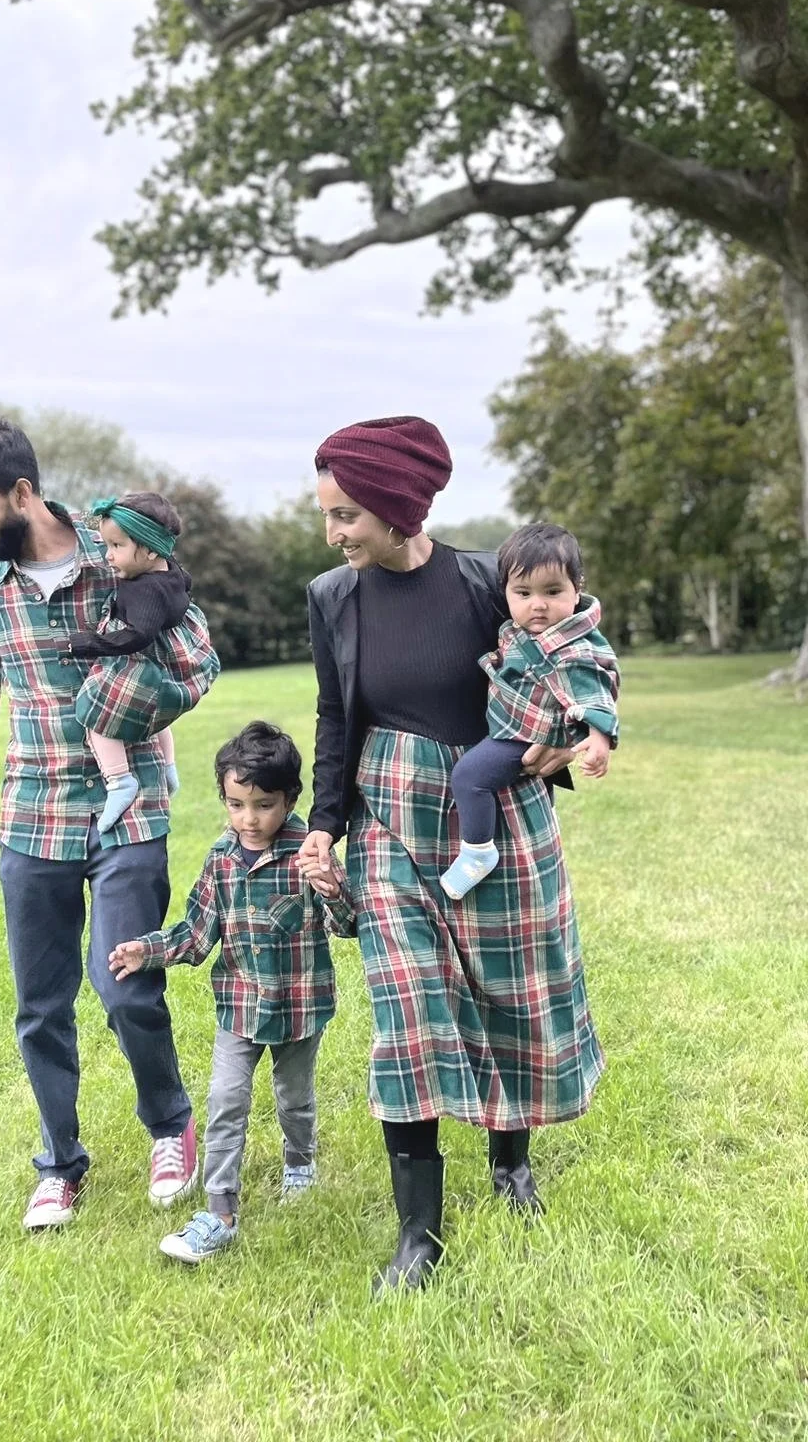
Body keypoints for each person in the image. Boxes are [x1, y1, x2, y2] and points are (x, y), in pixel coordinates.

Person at [0, 419, 220, 1230]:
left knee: (125, 985)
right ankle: (59, 1164)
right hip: (32, 817)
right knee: (40, 1005)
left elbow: (199, 662)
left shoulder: (119, 547)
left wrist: (135, 703)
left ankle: (170, 1126)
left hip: (131, 808)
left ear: (22, 492)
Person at [299, 415, 604, 1297]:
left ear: (398, 507)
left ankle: (511, 1163)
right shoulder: (332, 597)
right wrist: (325, 822)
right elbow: (334, 713)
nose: (333, 533)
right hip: (390, 814)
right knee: (410, 1012)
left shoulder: (483, 582)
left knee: (510, 992)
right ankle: (419, 1234)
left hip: (493, 811)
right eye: (327, 515)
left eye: (346, 514)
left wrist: (567, 740)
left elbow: (562, 662)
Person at [109, 721, 354, 1264]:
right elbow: (197, 936)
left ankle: (300, 1163)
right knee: (225, 1101)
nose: (249, 819)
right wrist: (146, 950)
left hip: (300, 1006)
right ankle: (220, 1210)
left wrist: (333, 888)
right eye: (237, 804)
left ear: (291, 800)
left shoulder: (309, 854)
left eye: (264, 805)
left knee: (294, 1097)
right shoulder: (221, 860)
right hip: (239, 1008)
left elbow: (346, 924)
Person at [439, 521, 620, 900]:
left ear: (577, 588)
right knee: (534, 800)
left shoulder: (572, 647)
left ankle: (477, 851)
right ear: (505, 590)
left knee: (469, 777)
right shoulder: (524, 631)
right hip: (514, 725)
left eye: (552, 591)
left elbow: (595, 690)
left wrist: (598, 738)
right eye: (523, 592)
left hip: (525, 736)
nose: (538, 604)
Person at [60, 491, 192, 833]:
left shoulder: (143, 590)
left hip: (138, 662)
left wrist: (86, 644)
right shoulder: (172, 572)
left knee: (95, 715)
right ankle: (169, 767)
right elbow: (186, 588)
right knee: (155, 719)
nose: (108, 555)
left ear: (150, 550)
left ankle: (119, 780)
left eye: (117, 546)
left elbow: (138, 635)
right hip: (161, 666)